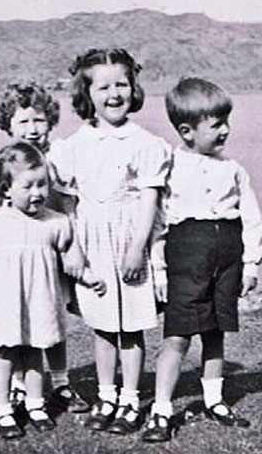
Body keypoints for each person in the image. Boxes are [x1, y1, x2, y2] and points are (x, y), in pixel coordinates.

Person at [47, 48, 170, 435]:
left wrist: (139, 248)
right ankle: (106, 394)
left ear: (134, 89)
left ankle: (131, 399)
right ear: (87, 93)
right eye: (103, 87)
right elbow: (68, 203)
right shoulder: (73, 145)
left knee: (130, 327)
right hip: (92, 241)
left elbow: (150, 199)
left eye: (122, 84)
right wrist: (75, 251)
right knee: (102, 326)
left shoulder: (145, 143)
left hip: (129, 240)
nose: (114, 93)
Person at [141, 77, 262, 442]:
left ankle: (214, 400)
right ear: (187, 130)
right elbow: (159, 223)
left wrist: (251, 263)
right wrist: (159, 269)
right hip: (186, 256)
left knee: (215, 331)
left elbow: (251, 217)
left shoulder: (235, 169)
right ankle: (161, 409)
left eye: (227, 122)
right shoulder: (170, 166)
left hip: (227, 255)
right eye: (216, 125)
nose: (225, 130)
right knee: (178, 336)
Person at [0, 142, 100, 439]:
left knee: (36, 353)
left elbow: (69, 261)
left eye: (42, 185)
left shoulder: (55, 222)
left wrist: (89, 278)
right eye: (28, 186)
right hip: (6, 303)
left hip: (39, 301)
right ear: (6, 189)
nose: (37, 193)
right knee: (6, 357)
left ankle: (35, 405)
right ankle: (2, 410)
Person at [0, 83, 91, 414]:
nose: (32, 129)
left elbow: (69, 206)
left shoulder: (57, 159)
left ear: (50, 121)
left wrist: (76, 249)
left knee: (51, 318)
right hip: (18, 258)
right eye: (23, 122)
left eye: (38, 120)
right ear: (8, 125)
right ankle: (18, 385)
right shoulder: (1, 164)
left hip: (53, 250)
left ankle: (62, 382)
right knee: (17, 319)